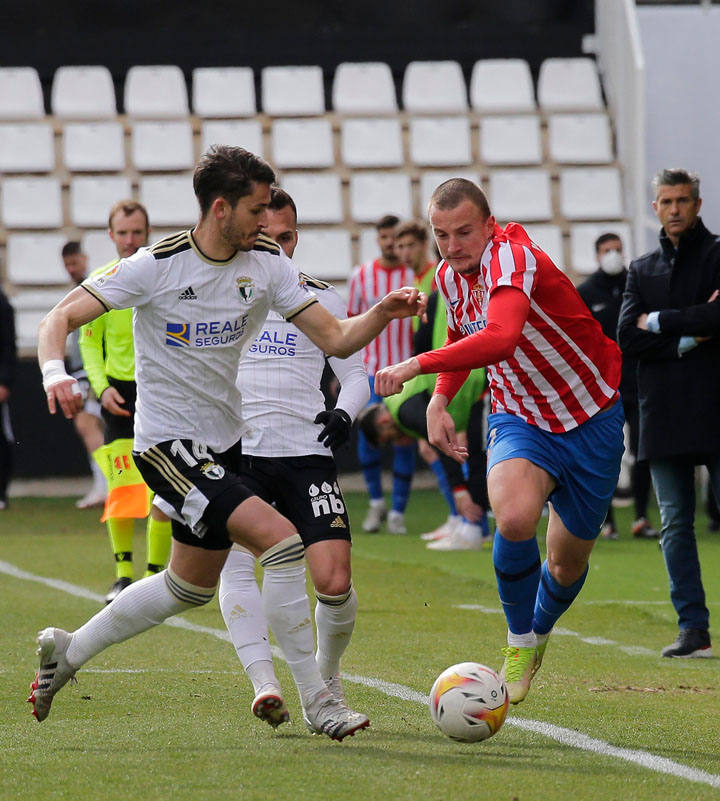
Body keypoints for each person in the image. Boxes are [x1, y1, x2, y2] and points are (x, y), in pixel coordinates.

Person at [31, 145, 425, 739]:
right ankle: (319, 700)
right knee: (283, 541)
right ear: (222, 209)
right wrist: (54, 374)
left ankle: (70, 650)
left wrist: (384, 313)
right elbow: (55, 319)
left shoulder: (265, 265)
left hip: (224, 447)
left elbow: (339, 341)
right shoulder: (155, 266)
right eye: (258, 210)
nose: (267, 224)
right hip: (168, 446)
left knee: (186, 587)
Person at [374, 178, 623, 705]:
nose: (453, 245)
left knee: (566, 562)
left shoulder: (512, 256)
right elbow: (463, 337)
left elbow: (501, 336)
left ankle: (539, 631)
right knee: (511, 518)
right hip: (519, 414)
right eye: (443, 235)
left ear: (489, 225)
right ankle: (517, 644)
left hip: (591, 414)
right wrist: (440, 399)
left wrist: (415, 366)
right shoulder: (448, 273)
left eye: (465, 231)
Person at [216, 187, 372, 729]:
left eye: (286, 238)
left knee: (334, 580)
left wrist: (346, 413)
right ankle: (266, 684)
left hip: (307, 453)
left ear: (296, 238)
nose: (277, 248)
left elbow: (356, 374)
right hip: (241, 454)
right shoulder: (223, 291)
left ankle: (326, 678)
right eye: (266, 238)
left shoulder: (321, 298)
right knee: (237, 565)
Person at [617, 168, 720, 662]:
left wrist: (660, 322)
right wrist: (690, 334)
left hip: (718, 406)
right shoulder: (642, 269)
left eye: (683, 200)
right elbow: (627, 338)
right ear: (655, 208)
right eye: (666, 201)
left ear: (698, 204)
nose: (675, 209)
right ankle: (693, 629)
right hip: (662, 411)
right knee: (675, 524)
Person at [78, 201, 175, 604]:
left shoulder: (165, 279)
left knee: (163, 493)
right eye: (123, 233)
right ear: (111, 235)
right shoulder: (100, 282)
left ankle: (156, 578)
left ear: (147, 232)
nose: (131, 240)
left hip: (162, 395)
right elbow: (88, 342)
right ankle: (122, 576)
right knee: (123, 490)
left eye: (137, 232)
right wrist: (102, 389)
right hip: (119, 396)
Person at [577, 232, 657, 540]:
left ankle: (640, 517)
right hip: (600, 386)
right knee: (603, 453)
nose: (613, 254)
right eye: (607, 250)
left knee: (642, 451)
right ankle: (605, 520)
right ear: (597, 255)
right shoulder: (585, 292)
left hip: (637, 382)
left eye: (618, 249)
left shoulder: (636, 288)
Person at [355, 365, 488, 551]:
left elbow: (442, 443)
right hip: (473, 387)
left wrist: (459, 490)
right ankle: (469, 526)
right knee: (475, 455)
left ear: (383, 422)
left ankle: (474, 529)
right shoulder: (398, 402)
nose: (397, 441)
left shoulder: (404, 411)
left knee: (476, 457)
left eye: (389, 438)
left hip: (479, 386)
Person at [347, 215, 418, 535]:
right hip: (373, 372)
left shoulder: (413, 273)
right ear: (378, 240)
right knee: (368, 440)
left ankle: (398, 512)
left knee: (405, 442)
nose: (391, 244)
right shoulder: (361, 276)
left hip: (408, 374)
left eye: (395, 238)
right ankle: (376, 503)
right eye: (386, 238)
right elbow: (350, 323)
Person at [395, 218, 465, 539]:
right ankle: (457, 516)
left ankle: (466, 518)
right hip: (431, 373)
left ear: (425, 245)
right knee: (436, 445)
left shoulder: (436, 281)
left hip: (444, 372)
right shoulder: (419, 280)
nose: (404, 252)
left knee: (447, 443)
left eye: (410, 244)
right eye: (400, 246)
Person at [60, 242, 108, 509]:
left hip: (91, 371)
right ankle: (105, 485)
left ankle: (106, 486)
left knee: (86, 423)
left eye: (74, 263)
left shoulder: (93, 289)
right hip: (83, 371)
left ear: (85, 259)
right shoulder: (80, 290)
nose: (71, 269)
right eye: (67, 265)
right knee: (94, 426)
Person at [0, 281, 13, 510]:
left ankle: (1, 492)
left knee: (1, 436)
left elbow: (8, 345)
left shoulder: (2, 303)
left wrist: (4, 381)